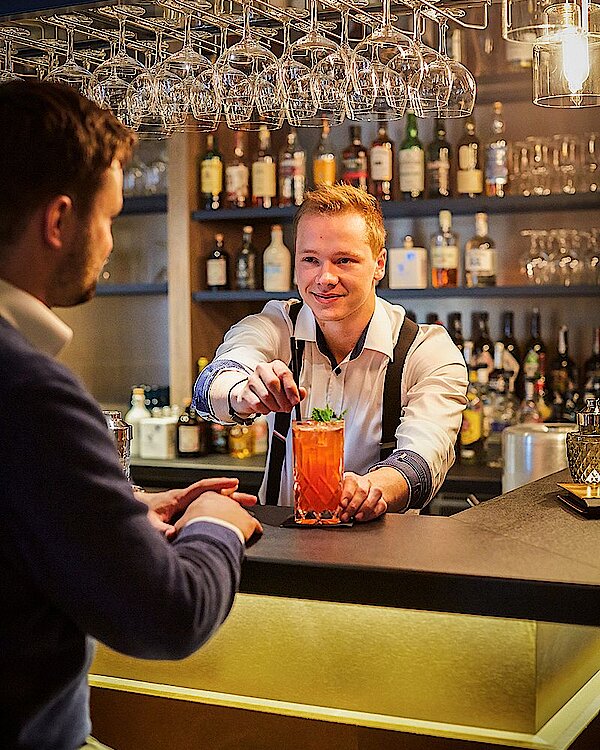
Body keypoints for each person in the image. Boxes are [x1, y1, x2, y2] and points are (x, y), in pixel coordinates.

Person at [0, 79, 262, 750]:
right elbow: (167, 616)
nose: (112, 243)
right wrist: (215, 525)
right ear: (59, 222)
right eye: (110, 218)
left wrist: (118, 512)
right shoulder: (30, 389)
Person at [194, 183, 468, 521]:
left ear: (379, 264)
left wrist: (373, 489)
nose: (325, 278)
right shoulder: (275, 326)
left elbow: (424, 458)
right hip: (284, 552)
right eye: (310, 260)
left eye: (344, 261)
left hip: (386, 558)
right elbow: (213, 382)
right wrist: (242, 394)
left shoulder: (425, 351)